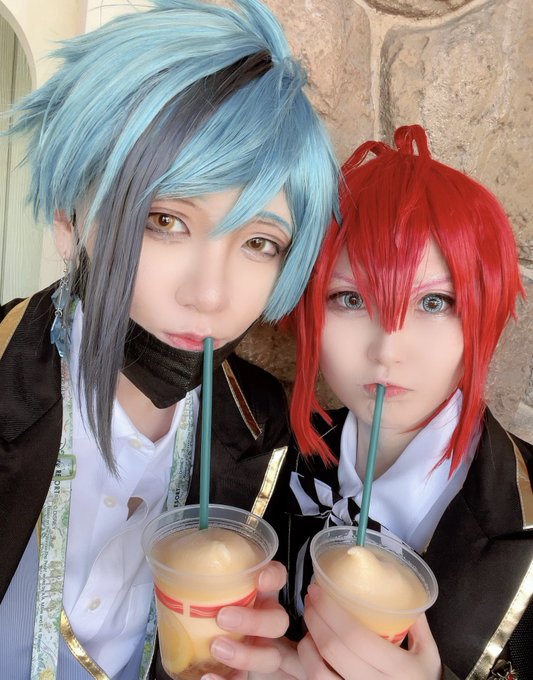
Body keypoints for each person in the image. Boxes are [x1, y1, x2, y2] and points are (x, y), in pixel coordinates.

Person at [0, 1, 338, 678]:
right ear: (69, 219)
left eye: (260, 242)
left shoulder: (274, 435)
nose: (209, 294)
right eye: (165, 220)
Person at [267, 124, 532, 680]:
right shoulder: (260, 462)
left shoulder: (523, 515)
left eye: (435, 302)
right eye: (350, 298)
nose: (387, 349)